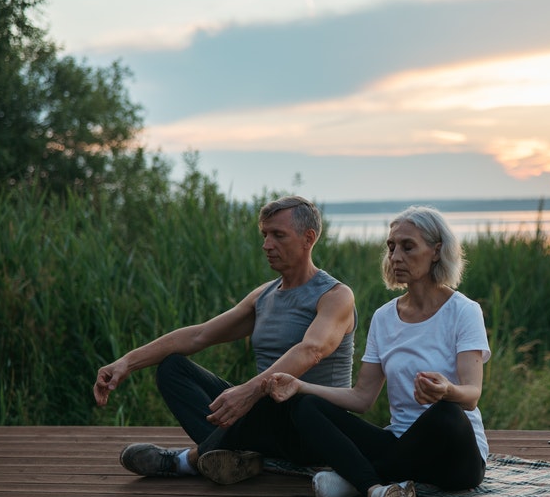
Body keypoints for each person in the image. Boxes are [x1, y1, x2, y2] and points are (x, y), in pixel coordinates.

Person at [92, 195, 357, 482]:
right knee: (173, 368)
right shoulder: (264, 296)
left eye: (278, 235)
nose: (267, 245)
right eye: (264, 235)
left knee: (273, 394)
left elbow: (312, 350)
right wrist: (127, 363)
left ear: (308, 238)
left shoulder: (335, 296)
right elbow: (200, 335)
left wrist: (250, 391)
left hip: (314, 430)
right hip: (267, 422)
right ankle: (231, 457)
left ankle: (187, 461)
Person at [260, 205, 490, 497]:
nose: (396, 257)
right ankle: (376, 488)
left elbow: (472, 396)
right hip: (398, 444)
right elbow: (362, 397)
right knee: (305, 405)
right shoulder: (384, 318)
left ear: (436, 251)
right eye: (391, 247)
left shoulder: (464, 311)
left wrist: (447, 391)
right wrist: (300, 385)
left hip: (455, 459)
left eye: (408, 247)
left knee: (446, 415)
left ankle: (357, 481)